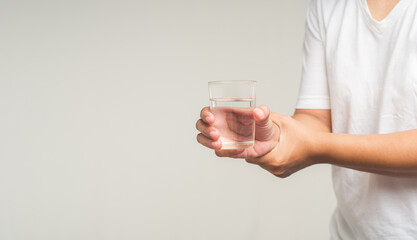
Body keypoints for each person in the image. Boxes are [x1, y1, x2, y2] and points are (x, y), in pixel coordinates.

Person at [196, 0, 417, 238]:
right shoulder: (326, 6)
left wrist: (312, 146)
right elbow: (316, 117)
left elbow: (314, 141)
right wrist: (277, 137)